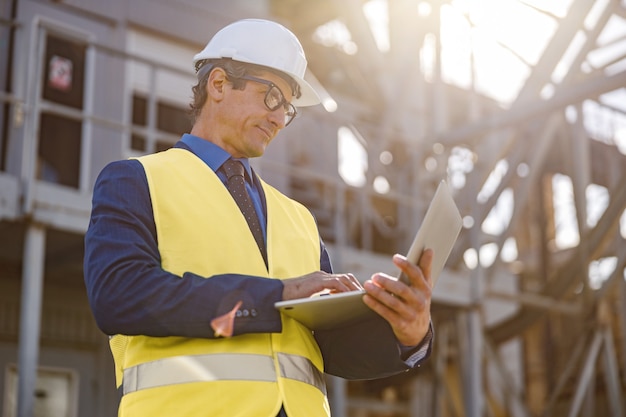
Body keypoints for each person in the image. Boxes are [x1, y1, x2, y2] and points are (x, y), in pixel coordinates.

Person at [84, 18, 434, 417]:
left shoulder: (298, 217)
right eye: (271, 97)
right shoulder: (137, 180)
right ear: (218, 84)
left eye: (288, 108)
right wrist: (278, 295)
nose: (280, 118)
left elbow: (327, 351)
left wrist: (408, 335)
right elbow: (119, 295)